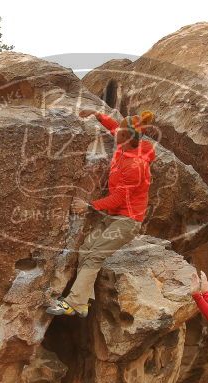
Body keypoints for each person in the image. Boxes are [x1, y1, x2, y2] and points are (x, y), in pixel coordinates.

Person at [46, 109, 156, 317]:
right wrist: (97, 115)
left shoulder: (135, 165)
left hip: (127, 221)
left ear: (126, 137)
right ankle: (84, 301)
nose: (115, 135)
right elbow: (115, 126)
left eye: (120, 134)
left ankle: (74, 302)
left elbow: (118, 199)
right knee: (86, 249)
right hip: (114, 216)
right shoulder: (129, 143)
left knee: (95, 255)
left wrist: (88, 205)